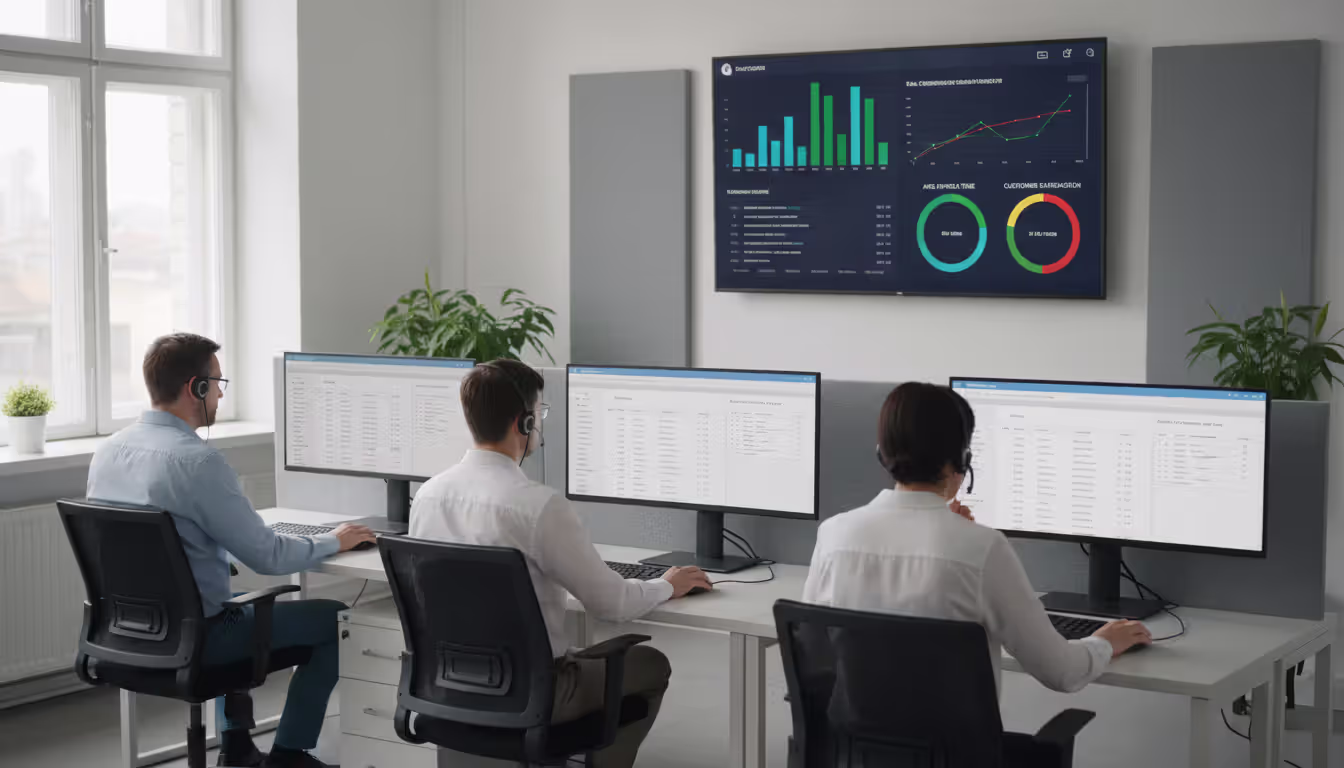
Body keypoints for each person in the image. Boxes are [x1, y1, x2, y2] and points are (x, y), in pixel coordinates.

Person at [87, 333, 375, 768]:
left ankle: (237, 746)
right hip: (199, 637)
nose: (221, 393)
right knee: (335, 619)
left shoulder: (107, 451)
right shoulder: (198, 462)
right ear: (195, 388)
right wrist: (335, 540)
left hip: (127, 630)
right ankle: (290, 754)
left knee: (230, 600)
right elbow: (268, 557)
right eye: (218, 382)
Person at [409, 359, 713, 768]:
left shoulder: (428, 496)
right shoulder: (538, 506)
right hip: (536, 692)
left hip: (448, 682)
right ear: (524, 422)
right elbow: (612, 605)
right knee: (650, 664)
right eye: (540, 414)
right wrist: (666, 585)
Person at [802, 382, 1151, 694]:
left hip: (852, 754)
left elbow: (816, 655)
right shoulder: (981, 549)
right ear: (962, 460)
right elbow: (1061, 672)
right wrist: (1104, 641)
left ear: (882, 453)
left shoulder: (834, 535)